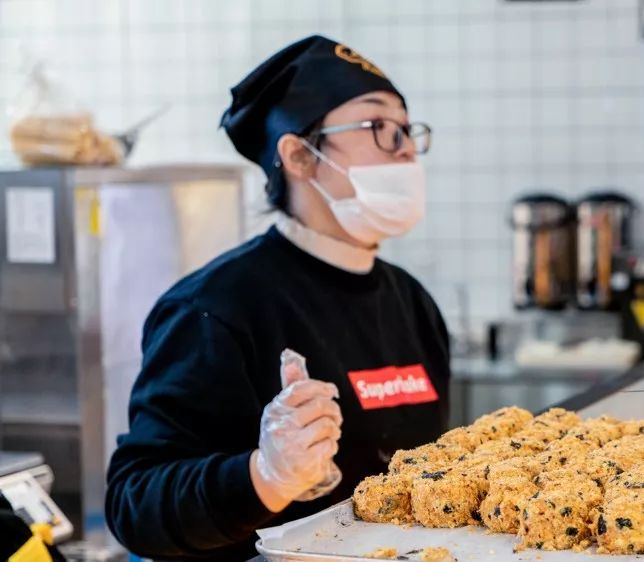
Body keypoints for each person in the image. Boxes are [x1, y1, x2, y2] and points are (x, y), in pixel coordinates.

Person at [105, 35, 449, 561]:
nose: (404, 147)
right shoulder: (215, 307)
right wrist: (263, 476)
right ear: (299, 157)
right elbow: (134, 504)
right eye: (379, 126)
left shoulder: (411, 301)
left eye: (407, 128)